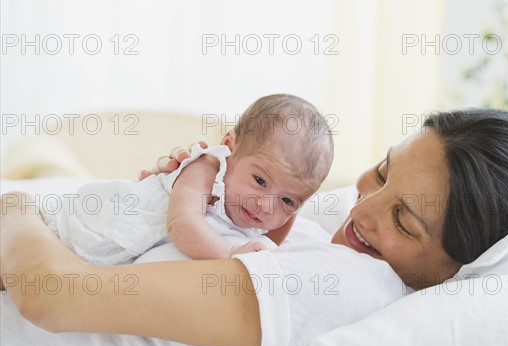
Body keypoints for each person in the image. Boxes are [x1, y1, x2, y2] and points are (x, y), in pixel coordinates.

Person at [0, 109, 508, 346]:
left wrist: (20, 210)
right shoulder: (331, 244)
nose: (361, 208)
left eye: (403, 221)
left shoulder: (351, 285)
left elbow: (53, 296)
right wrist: (183, 191)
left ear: (460, 264)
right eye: (384, 172)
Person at [22, 94, 335, 267]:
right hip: (109, 224)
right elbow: (182, 225)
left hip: (132, 251)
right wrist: (229, 254)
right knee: (30, 257)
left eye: (288, 201)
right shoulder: (207, 167)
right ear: (230, 147)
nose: (266, 206)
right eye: (259, 180)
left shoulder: (272, 208)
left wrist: (267, 245)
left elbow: (276, 230)